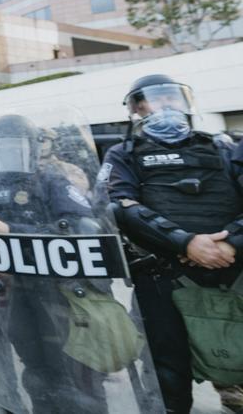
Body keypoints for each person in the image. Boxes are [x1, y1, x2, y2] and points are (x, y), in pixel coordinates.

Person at [102, 74, 243, 414]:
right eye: (155, 99)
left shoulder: (224, 147)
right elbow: (119, 207)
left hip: (233, 269)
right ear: (137, 109)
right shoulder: (123, 153)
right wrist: (186, 243)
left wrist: (232, 243)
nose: (166, 105)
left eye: (172, 98)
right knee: (166, 368)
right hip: (163, 273)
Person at [0, 114, 108, 413]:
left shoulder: (51, 181)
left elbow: (83, 228)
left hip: (56, 290)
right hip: (11, 292)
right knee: (35, 370)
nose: (11, 152)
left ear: (32, 147)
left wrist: (13, 231)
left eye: (18, 145)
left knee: (72, 371)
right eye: (4, 146)